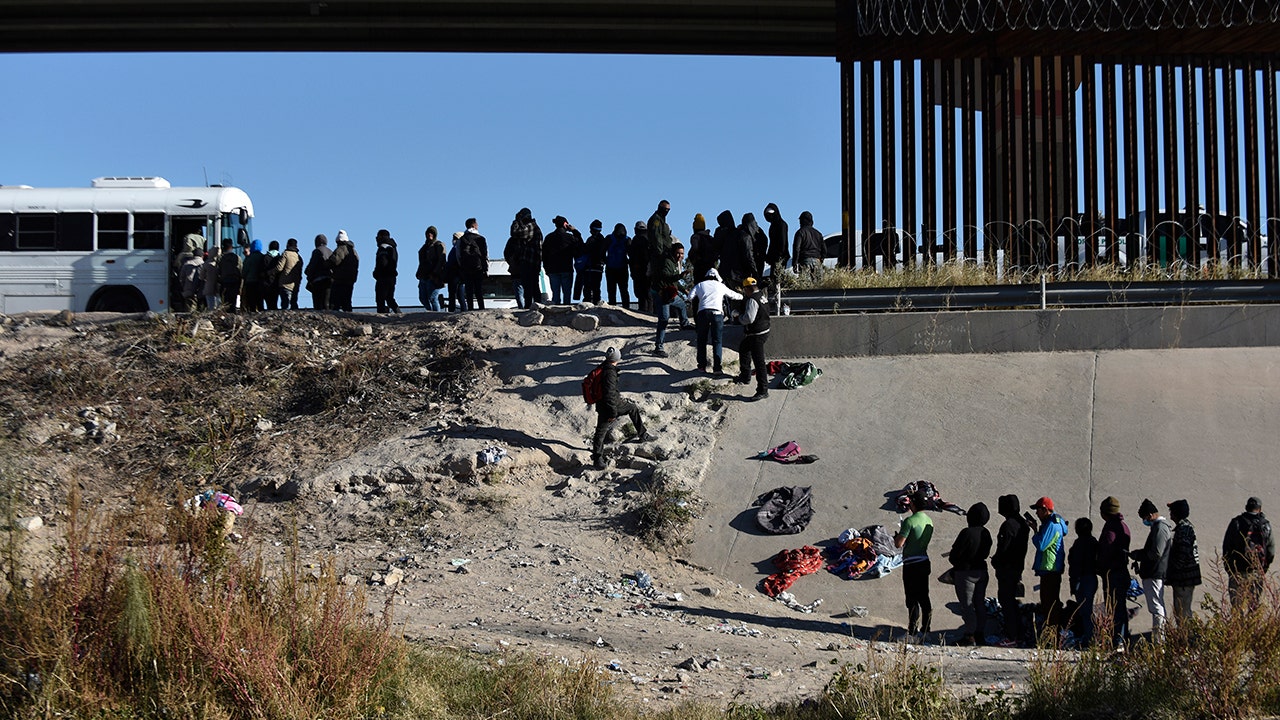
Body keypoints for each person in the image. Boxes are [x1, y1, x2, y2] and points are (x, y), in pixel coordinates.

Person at [589, 347, 653, 470]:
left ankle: (597, 458)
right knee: (601, 431)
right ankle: (598, 458)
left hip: (603, 404)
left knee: (601, 431)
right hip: (610, 406)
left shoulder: (603, 367)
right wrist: (612, 413)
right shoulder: (610, 373)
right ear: (617, 359)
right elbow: (609, 394)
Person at [948, 501, 992, 646]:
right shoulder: (986, 533)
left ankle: (969, 636)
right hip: (982, 571)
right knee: (979, 604)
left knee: (967, 605)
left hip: (965, 572)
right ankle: (980, 634)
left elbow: (954, 555)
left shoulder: (966, 533)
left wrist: (956, 563)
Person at [991, 494, 1032, 647]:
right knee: (1012, 603)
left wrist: (996, 560)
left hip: (1007, 569)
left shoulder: (1008, 525)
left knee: (1006, 601)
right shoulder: (1022, 524)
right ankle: (1018, 635)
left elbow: (1004, 548)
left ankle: (1012, 636)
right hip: (1016, 567)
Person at [1222, 496, 1275, 610]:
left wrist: (1230, 569)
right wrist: (1263, 569)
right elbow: (1271, 551)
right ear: (1260, 509)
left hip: (1238, 572)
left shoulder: (1236, 523)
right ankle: (1251, 628)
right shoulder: (1266, 525)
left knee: (1237, 608)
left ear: (1246, 507)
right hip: (1256, 572)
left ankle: (1238, 627)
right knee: (1254, 607)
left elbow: (1227, 548)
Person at [895, 489, 934, 641]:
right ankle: (926, 629)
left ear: (913, 503)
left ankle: (912, 631)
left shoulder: (909, 521)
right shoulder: (929, 521)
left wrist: (897, 535)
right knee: (924, 597)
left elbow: (899, 544)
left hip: (911, 564)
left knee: (911, 599)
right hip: (924, 561)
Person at [1133, 498, 1172, 641]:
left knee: (1156, 607)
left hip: (1155, 572)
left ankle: (1159, 640)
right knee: (1156, 607)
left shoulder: (1160, 528)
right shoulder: (1158, 527)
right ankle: (1159, 638)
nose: (1144, 521)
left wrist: (1139, 555)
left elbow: (1156, 553)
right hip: (1153, 572)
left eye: (1144, 518)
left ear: (1150, 515)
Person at [689, 268, 742, 375]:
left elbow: (690, 297)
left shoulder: (700, 285)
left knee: (701, 340)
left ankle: (701, 367)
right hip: (717, 314)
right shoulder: (720, 286)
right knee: (717, 341)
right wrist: (742, 295)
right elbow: (734, 295)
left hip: (703, 313)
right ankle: (717, 368)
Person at [1097, 495, 1132, 649]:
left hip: (1113, 574)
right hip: (1121, 572)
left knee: (1114, 608)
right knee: (1120, 608)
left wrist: (1099, 566)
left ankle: (1117, 640)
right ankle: (1122, 639)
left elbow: (1107, 549)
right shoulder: (1123, 526)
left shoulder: (1111, 528)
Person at [1030, 496, 1068, 635]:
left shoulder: (1051, 525)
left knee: (1049, 603)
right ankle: (1052, 633)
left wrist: (1035, 531)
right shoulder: (1049, 524)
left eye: (1038, 510)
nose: (1036, 513)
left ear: (1045, 510)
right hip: (1049, 569)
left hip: (1050, 569)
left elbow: (1041, 545)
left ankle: (1052, 635)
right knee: (1049, 602)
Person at [1165, 499, 1201, 626]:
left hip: (1184, 579)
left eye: (1171, 511)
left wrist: (1173, 572)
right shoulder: (1187, 527)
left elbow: (1182, 554)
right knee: (1182, 611)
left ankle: (1187, 640)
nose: (1170, 514)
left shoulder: (1183, 530)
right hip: (1187, 578)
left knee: (1182, 613)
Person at [651, 241, 689, 358]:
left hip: (670, 292)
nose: (680, 256)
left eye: (682, 254)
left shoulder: (674, 263)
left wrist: (684, 290)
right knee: (664, 319)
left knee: (681, 304)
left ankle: (685, 324)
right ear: (673, 253)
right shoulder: (667, 262)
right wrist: (680, 276)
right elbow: (666, 277)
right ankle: (659, 347)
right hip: (662, 294)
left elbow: (674, 281)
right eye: (678, 253)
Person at [735, 277, 770, 400]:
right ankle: (745, 376)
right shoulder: (761, 295)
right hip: (763, 330)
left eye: (744, 289)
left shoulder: (752, 300)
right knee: (744, 349)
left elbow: (749, 319)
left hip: (757, 334)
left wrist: (738, 317)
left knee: (759, 362)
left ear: (747, 288)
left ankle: (763, 390)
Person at [1067, 517, 1099, 646]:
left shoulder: (1080, 543)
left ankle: (1090, 639)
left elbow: (1075, 564)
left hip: (1083, 579)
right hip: (1091, 578)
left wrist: (1074, 583)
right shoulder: (1093, 542)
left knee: (1085, 612)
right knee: (1087, 610)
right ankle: (1089, 637)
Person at [505, 209, 543, 309]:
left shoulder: (531, 226)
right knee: (534, 285)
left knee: (529, 285)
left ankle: (529, 306)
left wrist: (516, 222)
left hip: (529, 260)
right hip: (535, 261)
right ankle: (536, 305)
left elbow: (515, 233)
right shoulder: (534, 226)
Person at [542, 216, 581, 305]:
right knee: (567, 294)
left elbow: (544, 254)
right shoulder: (569, 237)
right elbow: (580, 245)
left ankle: (555, 313)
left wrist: (546, 268)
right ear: (565, 224)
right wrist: (574, 231)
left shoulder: (549, 237)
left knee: (555, 294)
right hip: (566, 268)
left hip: (552, 269)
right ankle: (566, 312)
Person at [457, 218, 489, 310]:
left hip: (466, 268)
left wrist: (462, 266)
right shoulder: (481, 239)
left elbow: (458, 255)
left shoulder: (461, 239)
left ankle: (470, 308)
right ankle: (481, 308)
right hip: (478, 266)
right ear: (473, 226)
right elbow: (486, 254)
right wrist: (486, 267)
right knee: (478, 289)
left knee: (469, 289)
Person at [717, 210, 754, 288]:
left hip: (726, 275)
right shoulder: (742, 235)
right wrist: (754, 271)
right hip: (739, 275)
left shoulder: (723, 238)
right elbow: (748, 255)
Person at [327, 230, 359, 312]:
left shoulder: (341, 249)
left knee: (335, 301)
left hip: (340, 279)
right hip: (351, 279)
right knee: (347, 300)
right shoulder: (354, 251)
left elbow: (335, 261)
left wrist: (327, 263)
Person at [371, 229, 401, 314]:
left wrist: (376, 273)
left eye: (377, 236)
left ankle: (381, 316)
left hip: (383, 277)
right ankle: (399, 314)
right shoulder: (393, 247)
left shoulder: (383, 247)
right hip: (392, 276)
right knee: (390, 298)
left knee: (380, 298)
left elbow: (382, 262)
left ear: (381, 236)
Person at [417, 226, 447, 312]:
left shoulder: (439, 245)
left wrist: (435, 273)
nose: (429, 235)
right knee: (423, 298)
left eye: (431, 233)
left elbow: (442, 260)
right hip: (423, 276)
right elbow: (422, 262)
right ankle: (430, 313)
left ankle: (436, 315)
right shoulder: (424, 247)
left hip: (434, 277)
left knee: (433, 298)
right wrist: (419, 272)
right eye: (428, 233)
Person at [763, 203, 790, 288]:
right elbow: (772, 243)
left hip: (780, 258)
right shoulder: (772, 226)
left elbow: (783, 241)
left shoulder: (781, 225)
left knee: (778, 279)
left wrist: (780, 256)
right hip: (774, 258)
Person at [604, 223, 631, 308]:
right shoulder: (627, 239)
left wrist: (606, 261)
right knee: (624, 290)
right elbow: (631, 254)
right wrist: (628, 262)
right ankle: (626, 308)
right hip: (622, 268)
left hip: (610, 268)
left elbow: (602, 252)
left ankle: (612, 307)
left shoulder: (609, 238)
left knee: (611, 291)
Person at [792, 211, 825, 279]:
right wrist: (820, 260)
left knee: (805, 287)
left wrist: (795, 263)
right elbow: (824, 250)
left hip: (805, 261)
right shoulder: (818, 234)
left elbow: (796, 248)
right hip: (817, 262)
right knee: (819, 287)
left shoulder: (800, 232)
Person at [579, 220, 606, 304]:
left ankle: (588, 302)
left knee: (587, 287)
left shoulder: (590, 240)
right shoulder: (603, 240)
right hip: (599, 267)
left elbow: (585, 250)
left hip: (590, 267)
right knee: (597, 287)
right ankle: (596, 301)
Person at [304, 233, 333, 310]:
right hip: (329, 280)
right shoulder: (330, 251)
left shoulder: (316, 251)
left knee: (318, 304)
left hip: (318, 281)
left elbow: (312, 266)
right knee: (326, 303)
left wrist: (308, 276)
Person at [688, 213, 719, 282]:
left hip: (700, 268)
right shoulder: (710, 238)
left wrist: (694, 258)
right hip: (711, 268)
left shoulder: (695, 237)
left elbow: (694, 249)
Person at [628, 220, 651, 313]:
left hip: (638, 269)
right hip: (647, 269)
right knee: (647, 292)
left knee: (641, 292)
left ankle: (644, 310)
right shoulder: (649, 239)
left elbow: (631, 255)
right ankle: (649, 311)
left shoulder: (636, 240)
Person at [216, 237, 243, 311]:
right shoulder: (237, 258)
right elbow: (241, 272)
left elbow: (218, 271)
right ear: (231, 247)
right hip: (235, 282)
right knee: (233, 302)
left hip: (224, 282)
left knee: (225, 303)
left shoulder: (220, 258)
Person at [738, 212, 767, 279]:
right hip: (756, 263)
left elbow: (748, 254)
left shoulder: (744, 234)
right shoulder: (758, 230)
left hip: (750, 265)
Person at [241, 239, 267, 312]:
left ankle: (252, 315)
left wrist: (244, 277)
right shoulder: (263, 257)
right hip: (260, 282)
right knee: (260, 300)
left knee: (251, 301)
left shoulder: (249, 258)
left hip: (250, 282)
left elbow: (244, 271)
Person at [278, 238, 303, 310]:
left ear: (288, 245)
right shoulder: (299, 257)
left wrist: (270, 272)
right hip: (295, 285)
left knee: (285, 306)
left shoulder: (285, 254)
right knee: (294, 304)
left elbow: (279, 268)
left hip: (285, 283)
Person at [445, 232, 464, 312]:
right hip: (453, 274)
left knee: (454, 295)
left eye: (455, 238)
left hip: (456, 274)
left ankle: (452, 310)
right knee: (458, 295)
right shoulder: (454, 248)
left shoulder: (459, 248)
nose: (453, 240)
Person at [261, 240, 282, 311]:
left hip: (266, 284)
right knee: (274, 303)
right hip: (276, 284)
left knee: (268, 303)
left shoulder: (265, 257)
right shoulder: (280, 258)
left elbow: (261, 271)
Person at [200, 246, 221, 311]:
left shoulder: (206, 263)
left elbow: (201, 276)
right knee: (219, 307)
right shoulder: (220, 263)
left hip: (209, 287)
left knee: (211, 307)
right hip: (219, 288)